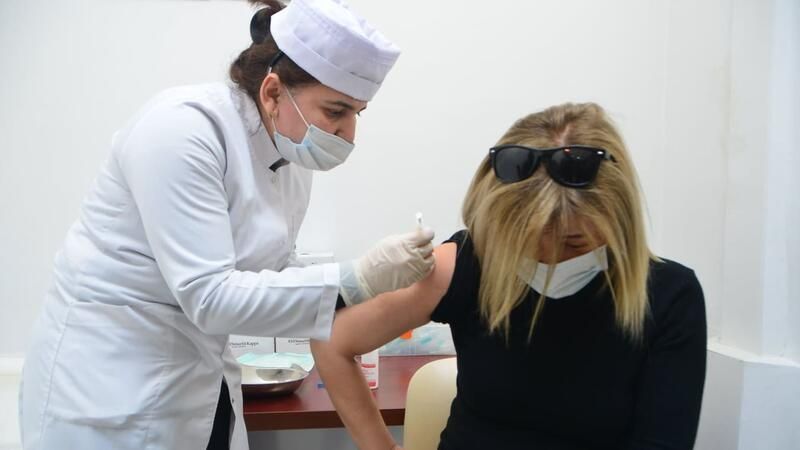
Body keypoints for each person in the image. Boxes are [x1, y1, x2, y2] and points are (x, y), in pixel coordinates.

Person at [18, 1, 435, 449]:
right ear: (272, 93)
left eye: (357, 113)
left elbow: (267, 271)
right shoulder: (182, 131)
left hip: (198, 378)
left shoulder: (290, 155)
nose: (348, 134)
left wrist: (369, 284)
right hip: (110, 386)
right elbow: (210, 296)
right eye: (336, 111)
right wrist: (356, 279)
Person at [311, 102, 708, 450]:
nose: (547, 256)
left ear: (617, 222)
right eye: (526, 240)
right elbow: (333, 341)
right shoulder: (470, 262)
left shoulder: (670, 297)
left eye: (572, 242)